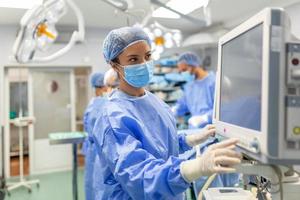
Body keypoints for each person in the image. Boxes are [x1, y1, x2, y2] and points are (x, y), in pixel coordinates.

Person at [92, 26, 241, 200]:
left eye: (147, 56)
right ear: (115, 65)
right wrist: (195, 167)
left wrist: (188, 140)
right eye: (133, 59)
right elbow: (139, 176)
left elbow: (161, 143)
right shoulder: (113, 117)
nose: (143, 64)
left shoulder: (155, 102)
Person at [82, 72, 108, 200]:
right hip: (98, 151)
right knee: (97, 185)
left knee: (95, 184)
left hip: (94, 151)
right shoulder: (101, 104)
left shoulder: (93, 103)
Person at [172, 52, 215, 129]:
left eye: (184, 70)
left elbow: (222, 110)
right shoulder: (190, 86)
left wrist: (205, 118)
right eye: (181, 71)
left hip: (211, 130)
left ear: (194, 65)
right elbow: (182, 105)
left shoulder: (214, 82)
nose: (183, 73)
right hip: (194, 130)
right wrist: (172, 110)